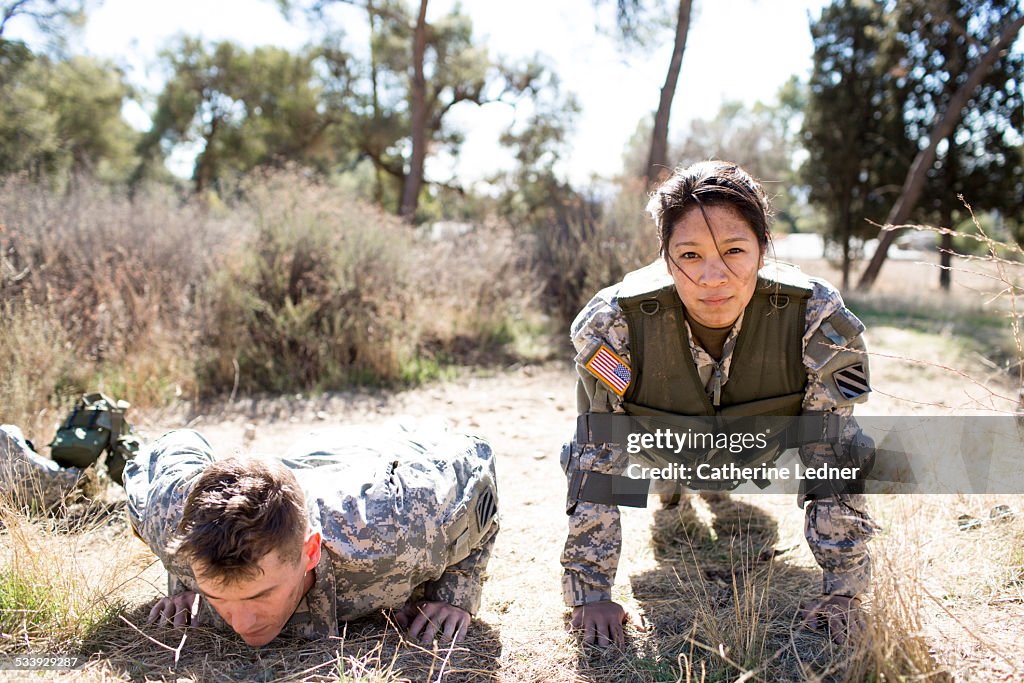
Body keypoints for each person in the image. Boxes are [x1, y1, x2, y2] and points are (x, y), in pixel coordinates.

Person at [560, 160, 876, 648]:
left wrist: (845, 590)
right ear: (666, 258)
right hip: (657, 448)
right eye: (690, 254)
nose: (714, 277)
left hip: (761, 448)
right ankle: (675, 486)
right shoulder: (613, 322)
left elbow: (832, 451)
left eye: (734, 251)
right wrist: (591, 592)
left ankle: (704, 485)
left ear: (763, 249)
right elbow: (601, 449)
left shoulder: (816, 316)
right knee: (608, 459)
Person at [1, 421, 498, 647]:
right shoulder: (170, 519)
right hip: (284, 466)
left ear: (309, 552)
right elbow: (176, 442)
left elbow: (477, 462)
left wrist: (456, 592)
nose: (240, 621)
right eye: (218, 596)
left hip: (376, 455)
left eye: (259, 595)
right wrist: (184, 583)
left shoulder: (399, 525)